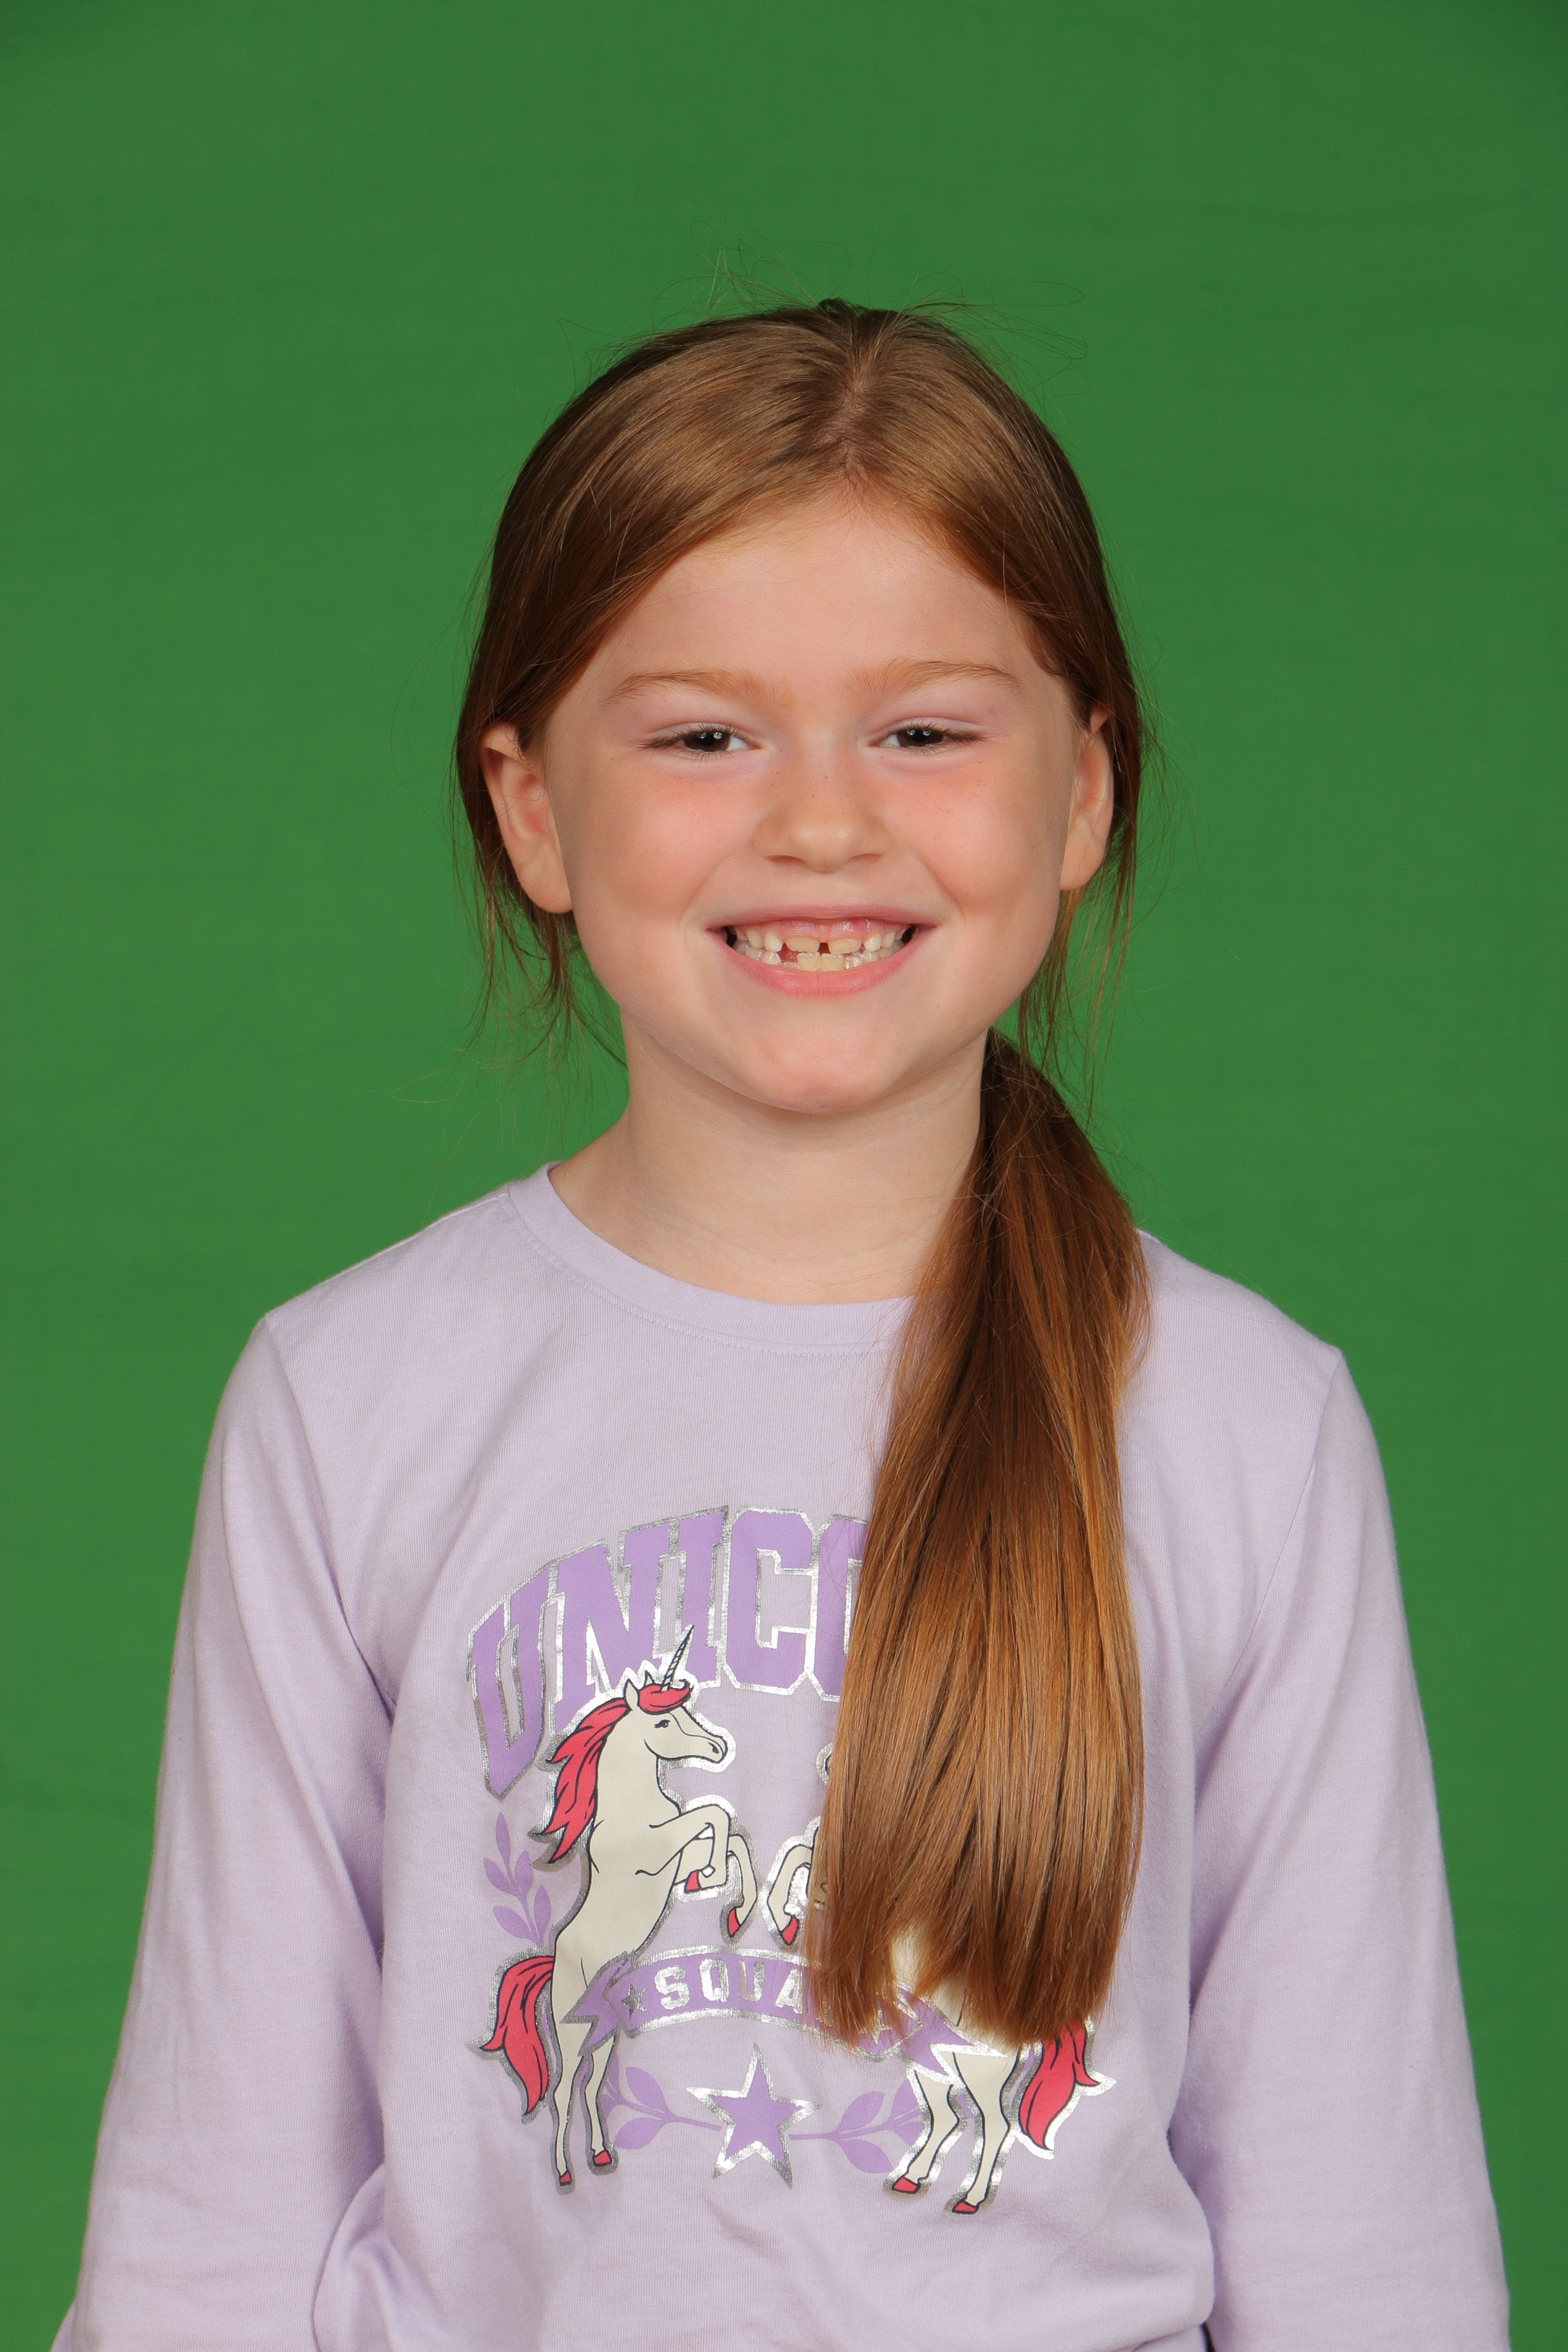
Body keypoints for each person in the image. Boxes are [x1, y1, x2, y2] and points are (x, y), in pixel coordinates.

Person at [54, 302, 1507, 2351]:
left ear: (1082, 792)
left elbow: (1371, 2255)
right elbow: (205, 2234)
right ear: (532, 808)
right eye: (703, 736)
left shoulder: (1246, 1425)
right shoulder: (350, 1398)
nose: (822, 822)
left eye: (924, 731)